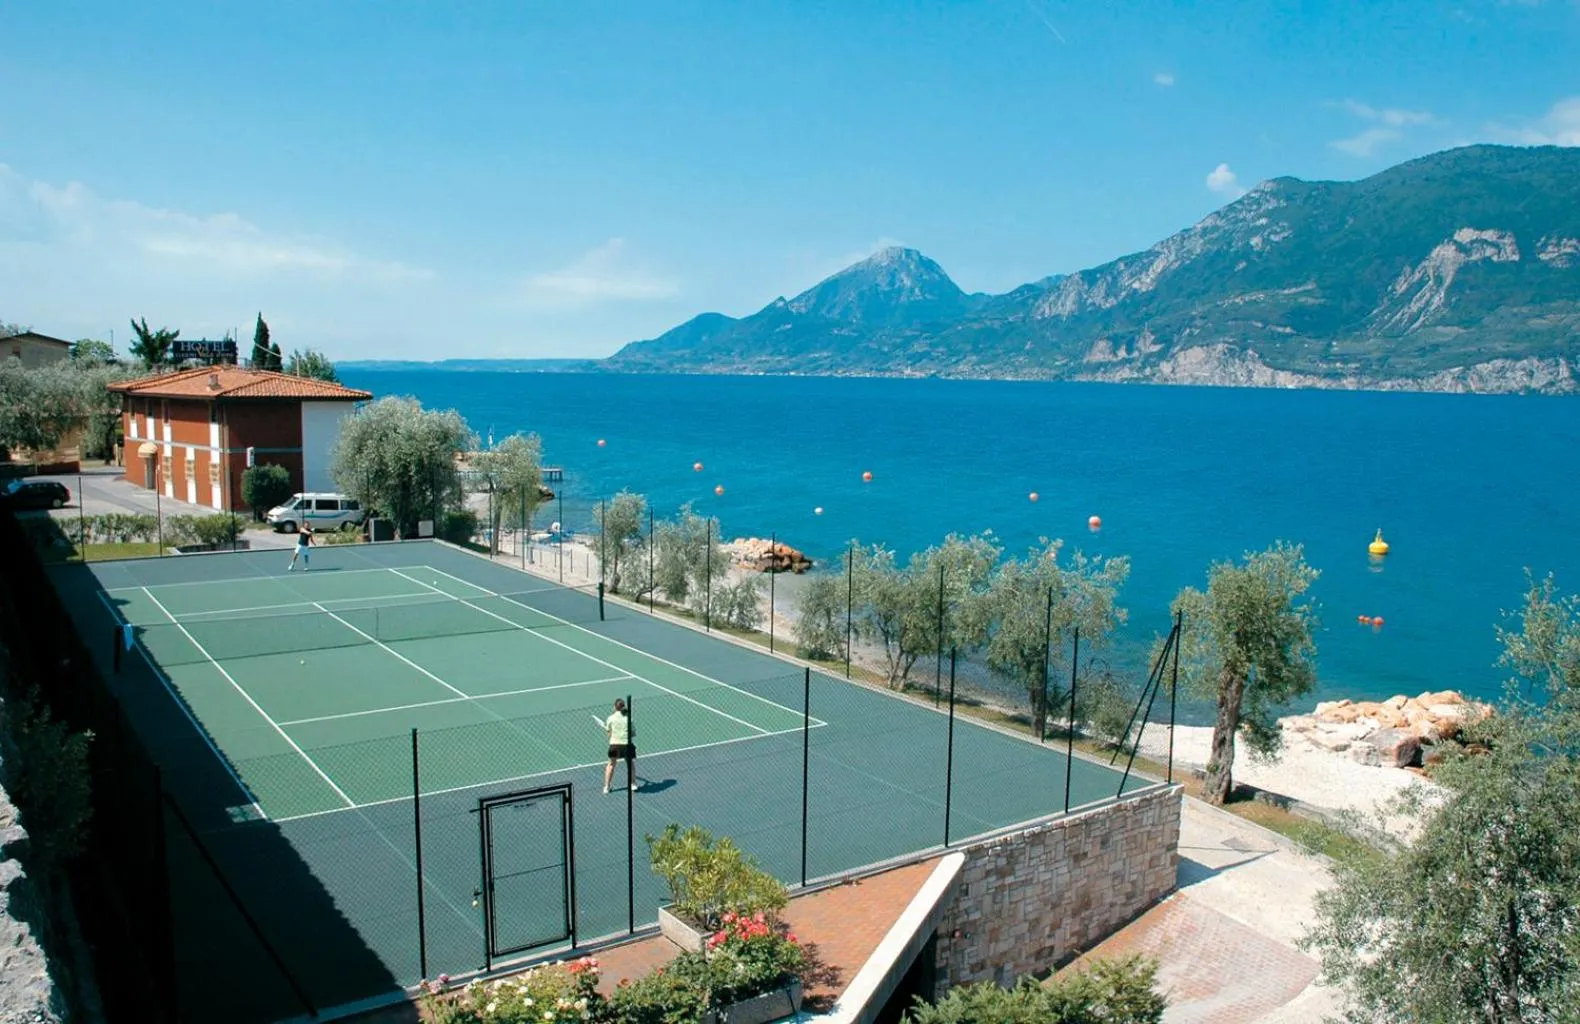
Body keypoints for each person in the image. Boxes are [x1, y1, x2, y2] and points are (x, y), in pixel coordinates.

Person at [603, 698, 635, 794]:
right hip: (627, 745)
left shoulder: (610, 718)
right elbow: (633, 733)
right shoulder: (629, 718)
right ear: (623, 707)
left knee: (611, 764)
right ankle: (633, 784)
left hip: (614, 745)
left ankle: (606, 787)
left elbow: (609, 733)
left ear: (614, 707)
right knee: (630, 764)